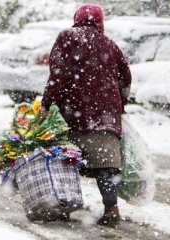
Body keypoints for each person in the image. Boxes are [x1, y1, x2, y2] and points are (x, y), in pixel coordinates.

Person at [41, 4, 131, 227]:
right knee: (106, 163)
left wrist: (47, 104)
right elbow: (125, 77)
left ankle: (65, 204)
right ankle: (111, 209)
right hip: (107, 115)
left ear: (77, 19)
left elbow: (57, 75)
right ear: (100, 22)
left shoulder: (68, 37)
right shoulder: (110, 45)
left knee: (67, 160)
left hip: (76, 111)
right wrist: (119, 104)